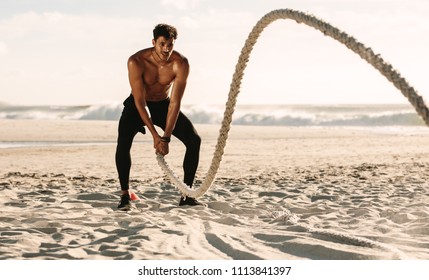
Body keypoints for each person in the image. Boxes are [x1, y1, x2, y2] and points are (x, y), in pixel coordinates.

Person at [115, 23, 202, 211]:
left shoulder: (180, 63)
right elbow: (139, 102)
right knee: (123, 141)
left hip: (163, 104)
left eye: (170, 45)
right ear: (154, 42)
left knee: (194, 140)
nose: (166, 49)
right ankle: (124, 195)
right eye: (162, 44)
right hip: (137, 105)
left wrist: (166, 137)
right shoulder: (136, 61)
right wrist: (155, 136)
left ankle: (186, 195)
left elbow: (175, 103)